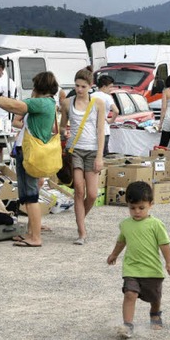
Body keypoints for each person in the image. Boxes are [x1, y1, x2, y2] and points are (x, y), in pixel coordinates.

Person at [0, 71, 59, 247]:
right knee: (27, 197)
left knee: (30, 198)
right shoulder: (48, 102)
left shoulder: (42, 102)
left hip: (30, 154)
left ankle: (35, 237)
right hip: (27, 152)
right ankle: (30, 233)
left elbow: (16, 106)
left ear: (39, 87)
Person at [106, 181, 170, 339]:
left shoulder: (156, 225)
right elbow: (121, 241)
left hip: (152, 270)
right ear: (128, 205)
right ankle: (127, 326)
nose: (137, 211)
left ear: (151, 204)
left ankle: (155, 312)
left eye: (141, 208)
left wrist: (169, 263)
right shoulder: (125, 225)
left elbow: (165, 245)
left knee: (155, 297)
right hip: (131, 268)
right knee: (129, 294)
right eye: (132, 208)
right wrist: (114, 255)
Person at [59, 68, 106, 245]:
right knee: (79, 189)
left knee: (92, 194)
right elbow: (62, 126)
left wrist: (100, 156)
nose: (79, 89)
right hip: (75, 150)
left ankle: (80, 219)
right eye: (77, 86)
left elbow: (101, 131)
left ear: (90, 86)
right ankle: (82, 231)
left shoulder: (98, 103)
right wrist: (64, 132)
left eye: (83, 86)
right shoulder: (67, 103)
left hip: (92, 150)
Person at [91, 75, 119, 156]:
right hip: (104, 130)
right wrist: (111, 120)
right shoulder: (107, 97)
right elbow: (116, 111)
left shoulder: (91, 96)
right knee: (102, 156)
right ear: (104, 86)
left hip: (91, 130)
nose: (111, 89)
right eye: (110, 87)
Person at [157, 76, 170, 148]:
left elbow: (164, 108)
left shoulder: (166, 91)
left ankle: (160, 156)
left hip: (169, 117)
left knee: (164, 143)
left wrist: (160, 124)